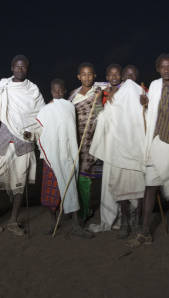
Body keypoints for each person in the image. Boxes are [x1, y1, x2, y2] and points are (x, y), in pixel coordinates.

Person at [0, 55, 45, 236]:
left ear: (27, 69)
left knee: (19, 185)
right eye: (17, 67)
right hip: (2, 143)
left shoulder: (33, 90)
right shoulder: (2, 88)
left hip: (24, 143)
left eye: (24, 67)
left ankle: (13, 221)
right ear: (12, 67)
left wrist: (34, 133)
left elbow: (40, 117)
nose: (20, 70)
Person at [126, 53, 169, 247]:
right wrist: (146, 105)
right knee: (150, 186)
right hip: (158, 141)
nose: (166, 70)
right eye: (162, 67)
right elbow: (151, 111)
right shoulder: (153, 85)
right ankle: (145, 231)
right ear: (158, 69)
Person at [23, 78, 94, 238]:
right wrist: (31, 135)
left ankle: (76, 225)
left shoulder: (69, 107)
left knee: (71, 188)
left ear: (64, 90)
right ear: (51, 91)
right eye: (54, 90)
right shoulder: (45, 110)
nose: (57, 93)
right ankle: (53, 222)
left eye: (60, 90)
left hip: (68, 154)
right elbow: (40, 131)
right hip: (52, 154)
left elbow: (71, 129)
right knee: (51, 191)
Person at [89, 73, 147, 238]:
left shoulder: (143, 97)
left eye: (132, 76)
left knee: (139, 188)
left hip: (137, 152)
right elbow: (103, 118)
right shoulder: (114, 100)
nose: (129, 81)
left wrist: (147, 105)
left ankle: (137, 222)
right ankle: (125, 223)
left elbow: (149, 122)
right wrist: (105, 106)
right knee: (120, 188)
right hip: (118, 152)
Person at [68, 62, 104, 222]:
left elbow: (101, 112)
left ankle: (83, 213)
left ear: (94, 76)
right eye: (83, 74)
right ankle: (82, 208)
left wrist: (99, 98)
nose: (87, 77)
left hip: (92, 139)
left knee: (84, 175)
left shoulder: (99, 91)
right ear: (78, 76)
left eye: (90, 74)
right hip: (76, 140)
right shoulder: (73, 94)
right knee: (76, 175)